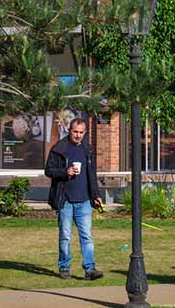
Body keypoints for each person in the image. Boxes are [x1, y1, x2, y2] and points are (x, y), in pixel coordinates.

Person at [44, 116, 104, 281]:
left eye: (81, 132)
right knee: (65, 236)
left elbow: (91, 175)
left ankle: (90, 269)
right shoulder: (59, 148)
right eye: (75, 131)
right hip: (65, 201)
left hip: (84, 201)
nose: (78, 135)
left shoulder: (87, 149)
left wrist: (96, 195)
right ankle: (64, 267)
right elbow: (48, 170)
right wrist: (65, 172)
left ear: (85, 133)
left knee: (86, 236)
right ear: (69, 130)